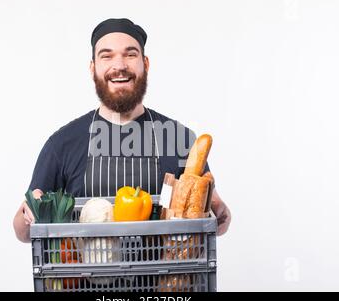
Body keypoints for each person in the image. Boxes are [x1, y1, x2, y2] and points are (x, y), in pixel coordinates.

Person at [13, 18, 231, 243]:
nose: (119, 65)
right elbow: (22, 233)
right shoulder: (62, 144)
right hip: (83, 278)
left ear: (145, 64)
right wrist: (29, 212)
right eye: (106, 56)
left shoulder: (179, 139)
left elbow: (217, 220)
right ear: (93, 68)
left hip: (163, 278)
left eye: (130, 54)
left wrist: (218, 210)